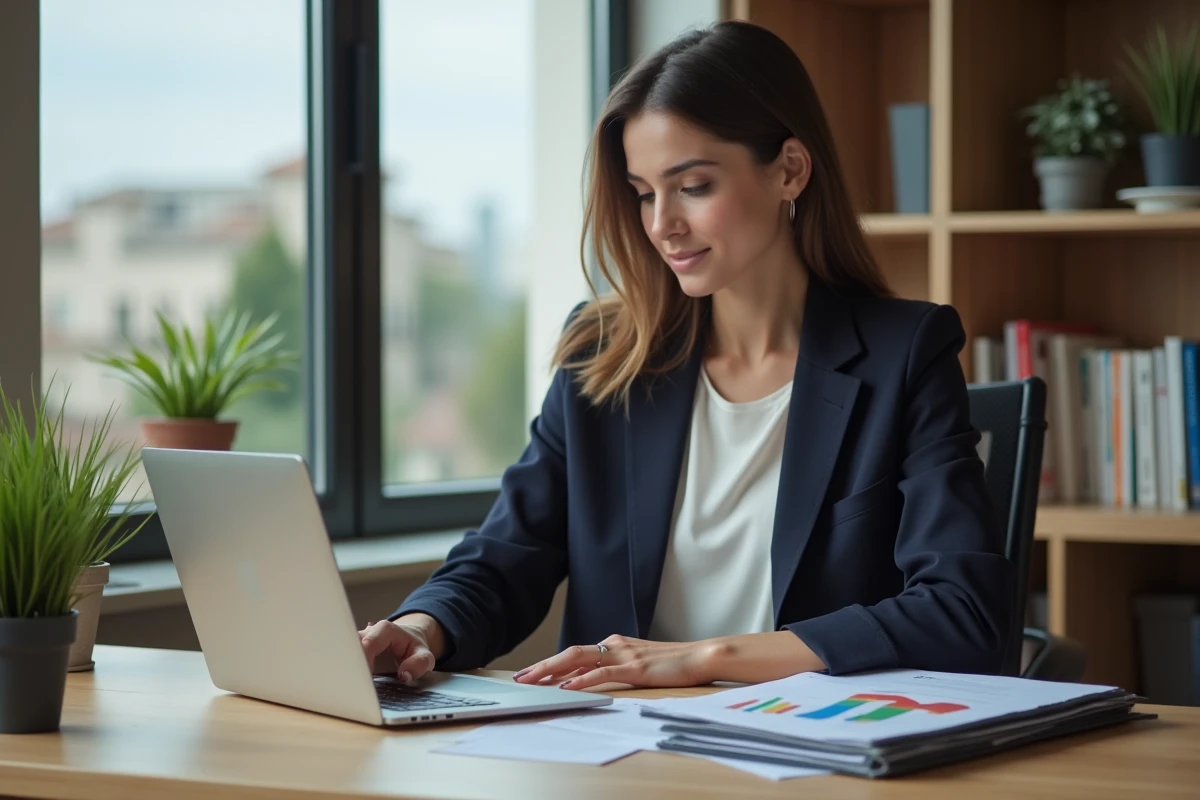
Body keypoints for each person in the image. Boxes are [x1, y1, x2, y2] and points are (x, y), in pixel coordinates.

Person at [359, 20, 1012, 692]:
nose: (661, 224)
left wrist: (705, 658)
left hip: (805, 741)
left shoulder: (904, 354)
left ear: (790, 170)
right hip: (617, 741)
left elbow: (964, 613)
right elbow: (506, 556)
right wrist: (420, 629)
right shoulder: (603, 357)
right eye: (645, 193)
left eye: (693, 186)